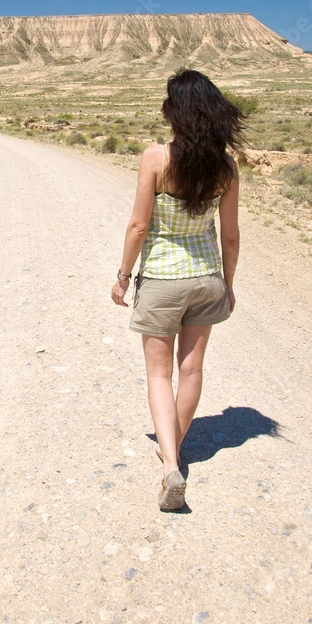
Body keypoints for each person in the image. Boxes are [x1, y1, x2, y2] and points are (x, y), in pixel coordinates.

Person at [110, 69, 244, 511]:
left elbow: (138, 225)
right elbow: (231, 235)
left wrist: (123, 275)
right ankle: (175, 452)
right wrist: (228, 282)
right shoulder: (225, 166)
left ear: (175, 112)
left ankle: (170, 464)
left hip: (164, 281)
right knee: (191, 371)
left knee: (157, 373)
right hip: (207, 279)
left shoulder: (156, 157)